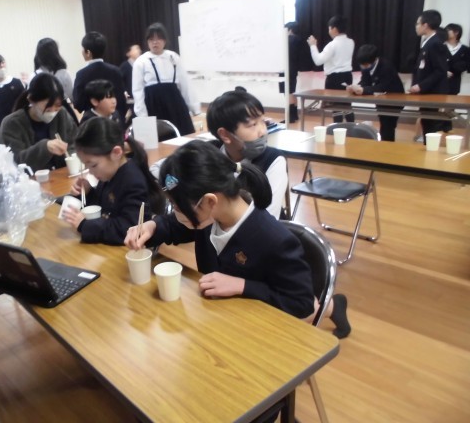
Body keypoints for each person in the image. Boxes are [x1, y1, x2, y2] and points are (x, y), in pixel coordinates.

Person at [124, 140, 351, 337]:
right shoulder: (210, 218)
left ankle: (334, 306)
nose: (175, 212)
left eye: (178, 206)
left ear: (210, 201)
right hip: (221, 319)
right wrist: (153, 226)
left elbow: (301, 304)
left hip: (257, 330)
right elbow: (176, 225)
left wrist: (243, 286)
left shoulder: (274, 239)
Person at [61, 117, 164, 245]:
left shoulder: (133, 181)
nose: (90, 172)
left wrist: (84, 225)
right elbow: (105, 205)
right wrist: (87, 193)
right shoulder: (110, 172)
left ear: (116, 153)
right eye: (86, 166)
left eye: (93, 165)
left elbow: (129, 228)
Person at [206, 89, 288, 219]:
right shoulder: (208, 155)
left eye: (263, 121)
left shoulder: (273, 159)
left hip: (257, 229)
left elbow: (268, 218)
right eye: (253, 124)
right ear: (225, 135)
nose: (263, 132)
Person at [132, 22, 200, 135]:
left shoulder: (173, 57)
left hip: (175, 103)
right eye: (151, 39)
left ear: (164, 40)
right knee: (160, 137)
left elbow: (185, 84)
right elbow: (137, 91)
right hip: (153, 104)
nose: (155, 42)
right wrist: (142, 115)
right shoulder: (141, 61)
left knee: (183, 135)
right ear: (147, 41)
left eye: (158, 38)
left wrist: (194, 108)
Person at [0, 73, 77, 172]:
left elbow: (75, 144)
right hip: (29, 180)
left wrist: (72, 157)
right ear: (31, 100)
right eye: (48, 108)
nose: (53, 111)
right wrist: (45, 148)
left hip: (62, 177)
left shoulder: (62, 114)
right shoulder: (12, 123)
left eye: (57, 105)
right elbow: (15, 162)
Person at [346, 44, 406, 141]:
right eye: (362, 65)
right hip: (381, 99)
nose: (363, 67)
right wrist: (356, 87)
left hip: (394, 100)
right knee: (384, 123)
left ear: (375, 59)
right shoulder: (366, 65)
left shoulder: (386, 67)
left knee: (388, 125)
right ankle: (384, 142)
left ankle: (387, 146)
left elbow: (382, 87)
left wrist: (364, 90)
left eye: (366, 65)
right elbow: (365, 81)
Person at [409, 10, 450, 139]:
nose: (416, 26)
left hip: (432, 92)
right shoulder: (428, 42)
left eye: (418, 23)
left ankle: (430, 148)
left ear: (425, 25)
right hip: (426, 91)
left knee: (430, 124)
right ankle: (428, 145)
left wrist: (420, 86)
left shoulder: (435, 43)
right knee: (426, 122)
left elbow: (440, 70)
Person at [308, 15, 355, 123]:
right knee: (347, 105)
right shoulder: (351, 42)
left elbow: (318, 61)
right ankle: (352, 128)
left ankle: (338, 129)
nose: (329, 31)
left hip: (334, 78)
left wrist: (313, 45)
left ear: (334, 29)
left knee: (336, 106)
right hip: (348, 76)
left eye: (329, 28)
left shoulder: (332, 44)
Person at [73, 31, 127, 121]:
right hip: (114, 120)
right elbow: (122, 101)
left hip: (92, 121)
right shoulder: (116, 71)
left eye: (83, 49)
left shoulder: (81, 74)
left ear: (88, 52)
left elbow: (78, 104)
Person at [280, 22, 313, 123]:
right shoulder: (299, 39)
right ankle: (294, 115)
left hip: (286, 68)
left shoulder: (288, 40)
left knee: (288, 92)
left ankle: (290, 116)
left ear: (289, 29)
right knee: (292, 91)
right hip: (294, 68)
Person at [31, 37, 74, 102]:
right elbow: (71, 96)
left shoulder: (34, 76)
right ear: (56, 53)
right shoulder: (64, 74)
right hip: (62, 106)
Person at [444, 23, 470, 96]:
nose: (445, 33)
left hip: (454, 82)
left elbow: (467, 64)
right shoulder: (440, 47)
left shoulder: (465, 49)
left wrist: (457, 67)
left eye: (448, 30)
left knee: (451, 101)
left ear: (456, 32)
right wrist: (444, 71)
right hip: (439, 82)